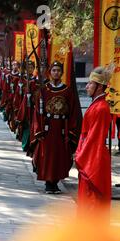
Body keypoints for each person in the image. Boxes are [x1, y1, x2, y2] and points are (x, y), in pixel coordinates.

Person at [31, 61, 82, 194]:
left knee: (60, 155)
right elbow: (37, 110)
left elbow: (72, 112)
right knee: (47, 155)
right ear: (50, 72)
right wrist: (39, 129)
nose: (56, 73)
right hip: (47, 128)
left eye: (58, 70)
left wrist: (71, 130)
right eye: (53, 70)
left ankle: (55, 182)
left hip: (61, 128)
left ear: (62, 73)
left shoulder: (67, 90)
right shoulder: (44, 90)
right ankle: (48, 182)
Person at [75, 66, 113, 218]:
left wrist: (80, 156)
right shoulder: (97, 105)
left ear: (99, 86)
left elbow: (94, 138)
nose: (87, 86)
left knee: (93, 200)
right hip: (90, 155)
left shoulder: (101, 108)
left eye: (90, 83)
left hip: (93, 159)